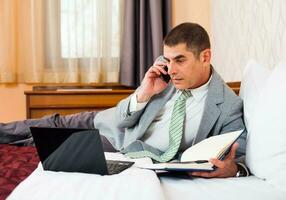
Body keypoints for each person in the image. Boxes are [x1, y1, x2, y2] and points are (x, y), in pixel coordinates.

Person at [0, 22, 248, 178]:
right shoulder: (164, 76)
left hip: (124, 148)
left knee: (47, 143)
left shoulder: (227, 105)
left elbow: (240, 151)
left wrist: (236, 170)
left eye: (180, 60)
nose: (171, 69)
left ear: (205, 56)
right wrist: (144, 91)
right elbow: (121, 117)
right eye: (167, 59)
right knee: (51, 124)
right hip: (110, 123)